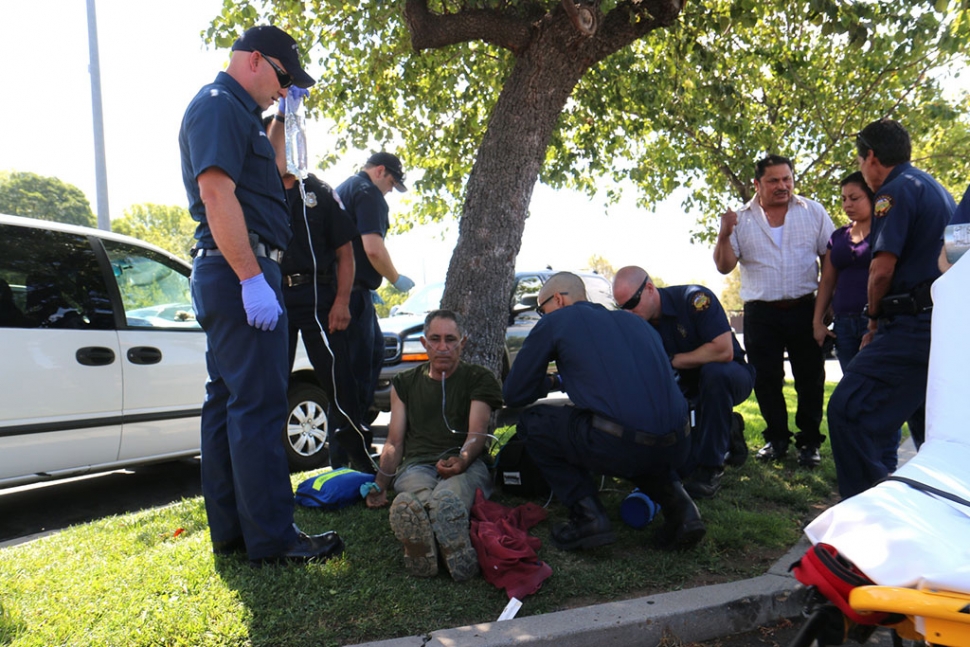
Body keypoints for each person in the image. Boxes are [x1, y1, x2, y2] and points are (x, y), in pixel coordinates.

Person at [179, 25, 342, 565]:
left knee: (228, 404)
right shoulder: (220, 105)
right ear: (253, 60)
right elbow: (215, 192)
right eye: (282, 76)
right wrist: (251, 278)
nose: (283, 86)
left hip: (230, 269)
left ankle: (233, 531)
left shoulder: (240, 114)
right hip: (239, 268)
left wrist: (284, 116)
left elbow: (272, 172)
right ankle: (274, 539)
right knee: (259, 406)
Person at [503, 272, 705, 551]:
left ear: (558, 299)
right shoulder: (636, 322)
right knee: (640, 432)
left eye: (542, 308)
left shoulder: (556, 321)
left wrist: (549, 381)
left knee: (533, 422)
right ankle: (683, 511)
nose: (542, 315)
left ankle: (588, 518)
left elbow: (515, 393)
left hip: (620, 446)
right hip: (680, 443)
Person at [827, 119, 954, 499]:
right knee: (929, 434)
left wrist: (873, 322)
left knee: (849, 412)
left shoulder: (894, 192)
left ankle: (868, 515)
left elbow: (881, 271)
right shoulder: (937, 190)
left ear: (871, 157)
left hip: (910, 324)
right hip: (939, 324)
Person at [713, 155, 835, 468]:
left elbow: (830, 259)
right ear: (757, 184)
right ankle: (776, 439)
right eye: (773, 181)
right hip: (760, 313)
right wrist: (724, 232)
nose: (782, 186)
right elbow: (725, 265)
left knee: (811, 378)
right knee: (766, 380)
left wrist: (826, 306)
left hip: (805, 307)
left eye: (787, 179)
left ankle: (809, 443)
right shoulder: (741, 219)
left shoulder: (813, 212)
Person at [364, 309, 504, 581]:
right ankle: (448, 545)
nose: (443, 347)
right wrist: (381, 484)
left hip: (468, 465)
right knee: (414, 493)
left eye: (450, 339)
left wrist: (462, 459)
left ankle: (425, 545)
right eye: (435, 339)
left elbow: (477, 434)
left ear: (462, 342)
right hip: (417, 466)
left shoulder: (479, 378)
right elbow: (394, 441)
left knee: (448, 496)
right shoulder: (405, 383)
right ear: (424, 343)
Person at [612, 267, 755, 499]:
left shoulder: (694, 299)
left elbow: (723, 350)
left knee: (714, 374)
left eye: (632, 303)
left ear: (649, 288)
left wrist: (672, 361)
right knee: (682, 467)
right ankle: (727, 428)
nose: (628, 312)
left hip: (729, 376)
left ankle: (711, 469)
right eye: (622, 307)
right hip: (685, 388)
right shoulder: (637, 322)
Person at [278, 170, 375, 472]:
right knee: (271, 381)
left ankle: (356, 458)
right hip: (274, 293)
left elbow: (345, 253)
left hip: (317, 294)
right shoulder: (257, 186)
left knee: (339, 379)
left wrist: (342, 301)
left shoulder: (318, 191)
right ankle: (270, 467)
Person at [812, 172, 901, 472]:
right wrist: (818, 320)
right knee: (855, 397)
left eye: (855, 198)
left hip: (875, 323)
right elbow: (827, 281)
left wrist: (875, 324)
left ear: (871, 197)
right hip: (845, 327)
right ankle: (864, 465)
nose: (848, 205)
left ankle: (886, 467)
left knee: (879, 396)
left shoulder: (884, 228)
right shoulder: (837, 237)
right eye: (844, 199)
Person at [336, 153, 415, 430]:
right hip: (352, 295)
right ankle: (354, 443)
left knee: (350, 369)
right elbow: (372, 248)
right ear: (380, 171)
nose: (391, 190)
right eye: (392, 182)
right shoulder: (369, 194)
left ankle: (346, 443)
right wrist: (394, 278)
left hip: (342, 290)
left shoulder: (344, 188)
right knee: (362, 368)